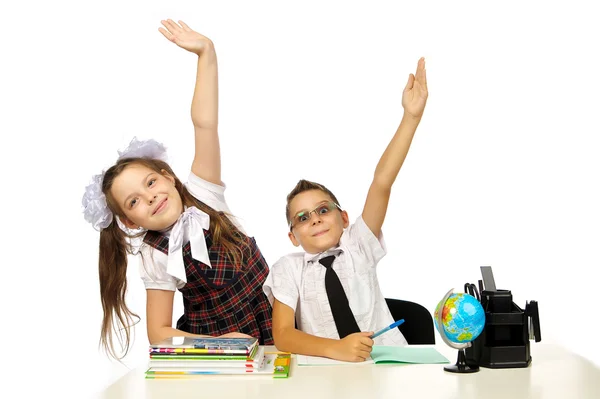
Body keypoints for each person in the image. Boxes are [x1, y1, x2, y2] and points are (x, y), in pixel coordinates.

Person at [82, 19, 273, 360]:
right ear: (129, 222)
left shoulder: (204, 193)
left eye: (151, 182)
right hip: (224, 351)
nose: (150, 196)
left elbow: (205, 123)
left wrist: (206, 54)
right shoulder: (154, 254)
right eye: (134, 201)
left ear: (168, 176)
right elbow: (159, 333)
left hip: (277, 321)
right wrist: (220, 344)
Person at [263, 57, 428, 362]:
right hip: (328, 369)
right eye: (302, 218)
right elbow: (283, 335)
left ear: (344, 218)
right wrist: (335, 349)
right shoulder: (288, 268)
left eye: (322, 210)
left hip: (386, 365)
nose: (315, 219)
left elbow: (381, 183)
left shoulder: (358, 245)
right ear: (293, 236)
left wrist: (410, 117)